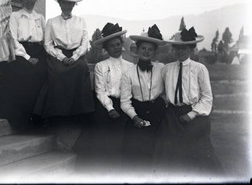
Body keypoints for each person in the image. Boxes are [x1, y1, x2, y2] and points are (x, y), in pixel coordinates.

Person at [153, 27, 222, 176]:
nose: (180, 51)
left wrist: (191, 114)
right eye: (177, 48)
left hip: (193, 114)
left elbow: (207, 97)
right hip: (172, 115)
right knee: (167, 152)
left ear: (191, 49)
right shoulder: (167, 69)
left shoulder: (199, 69)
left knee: (196, 154)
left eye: (184, 48)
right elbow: (161, 92)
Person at [35, 0, 94, 150]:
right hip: (58, 56)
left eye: (70, 3)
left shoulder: (80, 21)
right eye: (64, 2)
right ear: (59, 3)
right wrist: (61, 57)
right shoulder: (52, 22)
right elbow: (47, 45)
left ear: (74, 4)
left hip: (76, 57)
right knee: (58, 74)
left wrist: (75, 57)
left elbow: (84, 43)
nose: (67, 5)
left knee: (82, 69)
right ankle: (58, 118)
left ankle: (77, 118)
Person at [0, 0, 47, 128]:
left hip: (39, 50)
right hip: (21, 51)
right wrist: (27, 57)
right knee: (22, 71)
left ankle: (38, 117)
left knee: (44, 71)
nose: (29, 0)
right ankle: (20, 119)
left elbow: (44, 40)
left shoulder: (40, 18)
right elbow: (12, 38)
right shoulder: (15, 16)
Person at [76, 23, 133, 167]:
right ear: (106, 48)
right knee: (101, 129)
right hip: (105, 104)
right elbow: (100, 91)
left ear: (122, 44)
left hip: (124, 104)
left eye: (118, 44)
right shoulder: (101, 66)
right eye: (112, 45)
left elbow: (130, 91)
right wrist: (110, 108)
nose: (116, 47)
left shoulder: (130, 66)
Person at [120, 25, 166, 172]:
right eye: (143, 48)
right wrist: (134, 117)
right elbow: (125, 101)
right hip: (137, 112)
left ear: (154, 52)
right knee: (135, 156)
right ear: (137, 50)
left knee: (156, 153)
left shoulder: (162, 68)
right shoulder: (128, 72)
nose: (146, 51)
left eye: (150, 49)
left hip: (157, 112)